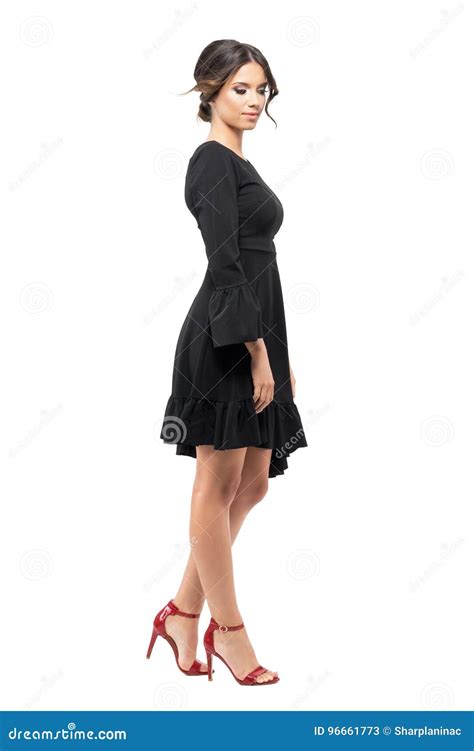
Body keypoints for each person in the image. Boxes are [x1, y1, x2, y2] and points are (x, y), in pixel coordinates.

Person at [147, 39, 308, 686]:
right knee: (216, 485)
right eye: (240, 88)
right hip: (222, 342)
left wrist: (277, 351)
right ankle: (228, 630)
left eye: (261, 89)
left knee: (254, 482)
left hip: (254, 330)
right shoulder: (210, 161)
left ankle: (183, 610)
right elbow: (224, 262)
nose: (253, 100)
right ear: (209, 90)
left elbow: (252, 262)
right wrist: (258, 350)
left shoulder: (237, 160)